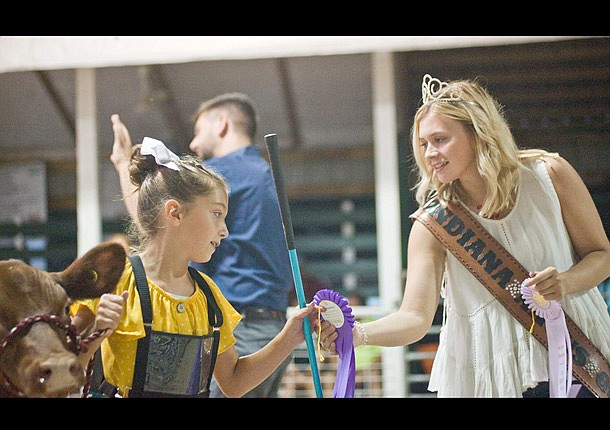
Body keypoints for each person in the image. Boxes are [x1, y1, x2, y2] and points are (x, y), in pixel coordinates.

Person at [319, 74, 610, 397]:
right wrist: (357, 333)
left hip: (577, 358)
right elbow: (415, 316)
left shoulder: (549, 175)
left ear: (478, 133)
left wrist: (566, 282)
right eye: (423, 144)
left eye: (440, 139)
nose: (429, 153)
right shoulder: (432, 225)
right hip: (495, 379)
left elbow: (602, 254)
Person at [71, 136, 317, 398]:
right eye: (217, 214)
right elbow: (63, 370)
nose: (225, 231)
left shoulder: (209, 296)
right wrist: (95, 335)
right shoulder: (115, 281)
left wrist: (289, 337)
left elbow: (233, 382)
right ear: (175, 213)